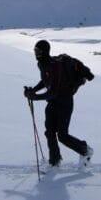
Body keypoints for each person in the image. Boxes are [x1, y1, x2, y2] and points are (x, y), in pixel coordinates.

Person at [23, 39, 93, 168]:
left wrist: (35, 97)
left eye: (38, 50)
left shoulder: (54, 66)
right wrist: (33, 90)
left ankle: (85, 150)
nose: (35, 53)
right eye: (35, 50)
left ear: (44, 51)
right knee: (49, 132)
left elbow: (54, 91)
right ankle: (54, 162)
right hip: (53, 103)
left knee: (62, 135)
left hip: (64, 102)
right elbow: (45, 81)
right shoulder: (43, 64)